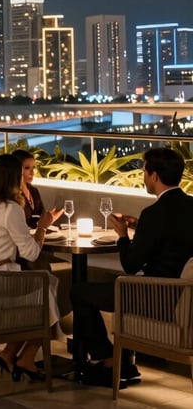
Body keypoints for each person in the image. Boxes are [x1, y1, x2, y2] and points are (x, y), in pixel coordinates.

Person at [72, 147, 193, 388]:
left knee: (79, 292)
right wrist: (140, 226)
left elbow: (130, 265)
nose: (143, 177)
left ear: (154, 176)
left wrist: (122, 235)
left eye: (144, 172)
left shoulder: (154, 213)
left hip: (154, 296)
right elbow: (172, 239)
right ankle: (122, 362)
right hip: (184, 297)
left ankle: (109, 361)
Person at [0, 153, 62, 382]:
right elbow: (31, 252)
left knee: (48, 284)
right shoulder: (11, 209)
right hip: (3, 283)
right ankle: (25, 357)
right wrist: (42, 227)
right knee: (48, 288)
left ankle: (10, 353)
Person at [14, 149, 45, 229]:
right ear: (17, 169)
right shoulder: (13, 195)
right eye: (27, 168)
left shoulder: (34, 191)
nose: (32, 172)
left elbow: (42, 216)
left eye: (33, 168)